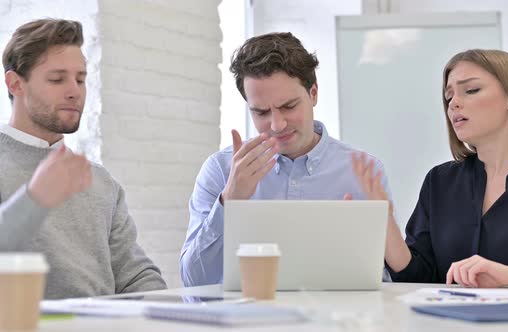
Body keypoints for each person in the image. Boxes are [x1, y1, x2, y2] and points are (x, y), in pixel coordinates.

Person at [353, 49, 508, 287]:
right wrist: (385, 224)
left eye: (471, 90)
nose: (454, 103)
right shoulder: (439, 182)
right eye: (448, 97)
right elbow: (419, 279)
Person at [180, 32, 393, 286]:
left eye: (289, 106)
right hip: (245, 324)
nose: (277, 125)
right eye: (260, 112)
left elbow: (384, 284)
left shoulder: (363, 171)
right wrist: (230, 200)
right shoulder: (220, 169)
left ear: (313, 93)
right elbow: (193, 281)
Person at [0, 18, 166, 299]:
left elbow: (135, 275)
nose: (75, 91)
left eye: (80, 79)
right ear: (16, 84)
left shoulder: (100, 181)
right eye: (57, 79)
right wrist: (34, 200)